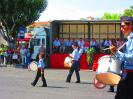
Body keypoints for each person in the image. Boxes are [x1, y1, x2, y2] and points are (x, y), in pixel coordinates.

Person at [109, 16, 133, 99]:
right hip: (127, 73)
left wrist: (116, 52)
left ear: (130, 25)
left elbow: (132, 58)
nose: (121, 29)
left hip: (130, 75)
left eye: (123, 26)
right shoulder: (129, 39)